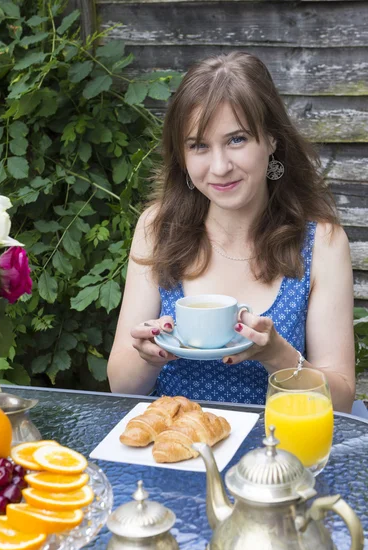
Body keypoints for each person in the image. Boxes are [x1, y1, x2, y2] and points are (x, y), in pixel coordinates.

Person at [107, 51, 355, 412]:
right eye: (199, 146)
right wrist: (148, 356)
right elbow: (120, 388)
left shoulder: (322, 244)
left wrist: (277, 355)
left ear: (271, 140)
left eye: (236, 139)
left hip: (274, 455)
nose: (220, 166)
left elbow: (343, 401)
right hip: (174, 446)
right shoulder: (157, 227)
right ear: (182, 154)